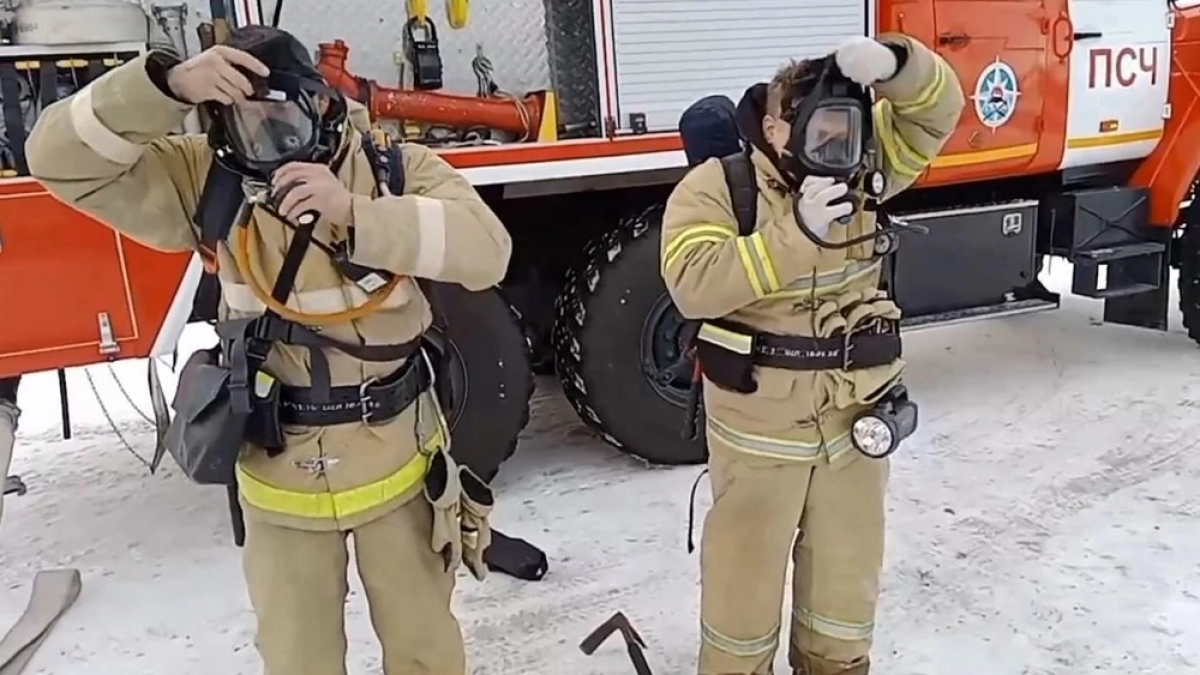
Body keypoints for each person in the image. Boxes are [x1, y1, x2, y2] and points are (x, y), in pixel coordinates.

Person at [26, 26, 511, 675]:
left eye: (280, 118)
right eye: (245, 124)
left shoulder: (391, 169)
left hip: (397, 463)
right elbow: (57, 157)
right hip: (281, 478)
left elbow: (488, 253)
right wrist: (164, 86)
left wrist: (358, 214)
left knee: (426, 650)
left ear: (318, 103)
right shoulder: (209, 180)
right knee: (296, 658)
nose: (269, 142)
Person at [661, 35, 965, 675]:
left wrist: (896, 64)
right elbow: (692, 282)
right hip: (760, 429)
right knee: (741, 596)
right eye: (819, 133)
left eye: (844, 133)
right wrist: (793, 235)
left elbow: (939, 109)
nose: (835, 151)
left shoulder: (866, 168)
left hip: (854, 425)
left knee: (844, 592)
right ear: (775, 128)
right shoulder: (719, 188)